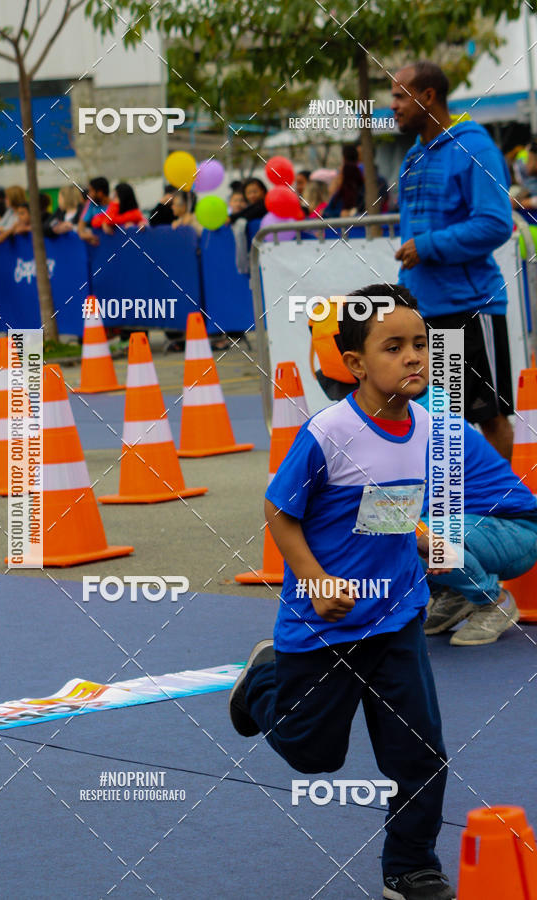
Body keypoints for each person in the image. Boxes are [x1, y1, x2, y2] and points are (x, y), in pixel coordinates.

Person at [230, 284, 455, 900]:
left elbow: (385, 504)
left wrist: (423, 540)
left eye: (421, 344)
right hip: (324, 625)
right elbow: (279, 511)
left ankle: (408, 869)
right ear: (355, 364)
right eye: (394, 347)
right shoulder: (328, 432)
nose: (414, 357)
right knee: (313, 756)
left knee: (422, 755)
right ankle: (263, 682)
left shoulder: (428, 428)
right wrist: (316, 577)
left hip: (397, 617)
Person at [392, 61, 514, 460]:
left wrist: (427, 246)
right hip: (424, 312)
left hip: (470, 308)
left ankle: (507, 513)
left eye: (399, 95)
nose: (393, 105)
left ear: (427, 97)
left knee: (489, 417)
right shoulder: (414, 156)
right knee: (440, 421)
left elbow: (496, 224)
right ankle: (455, 514)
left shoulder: (474, 147)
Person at [413, 386, 536, 646]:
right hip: (479, 528)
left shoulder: (432, 428)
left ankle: (494, 602)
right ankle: (456, 591)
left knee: (415, 535)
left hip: (517, 530)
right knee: (393, 531)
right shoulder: (397, 427)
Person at [78, 176, 111, 245]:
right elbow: (81, 227)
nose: (89, 194)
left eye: (91, 191)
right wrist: (86, 236)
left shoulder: (115, 205)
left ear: (100, 193)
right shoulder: (90, 204)